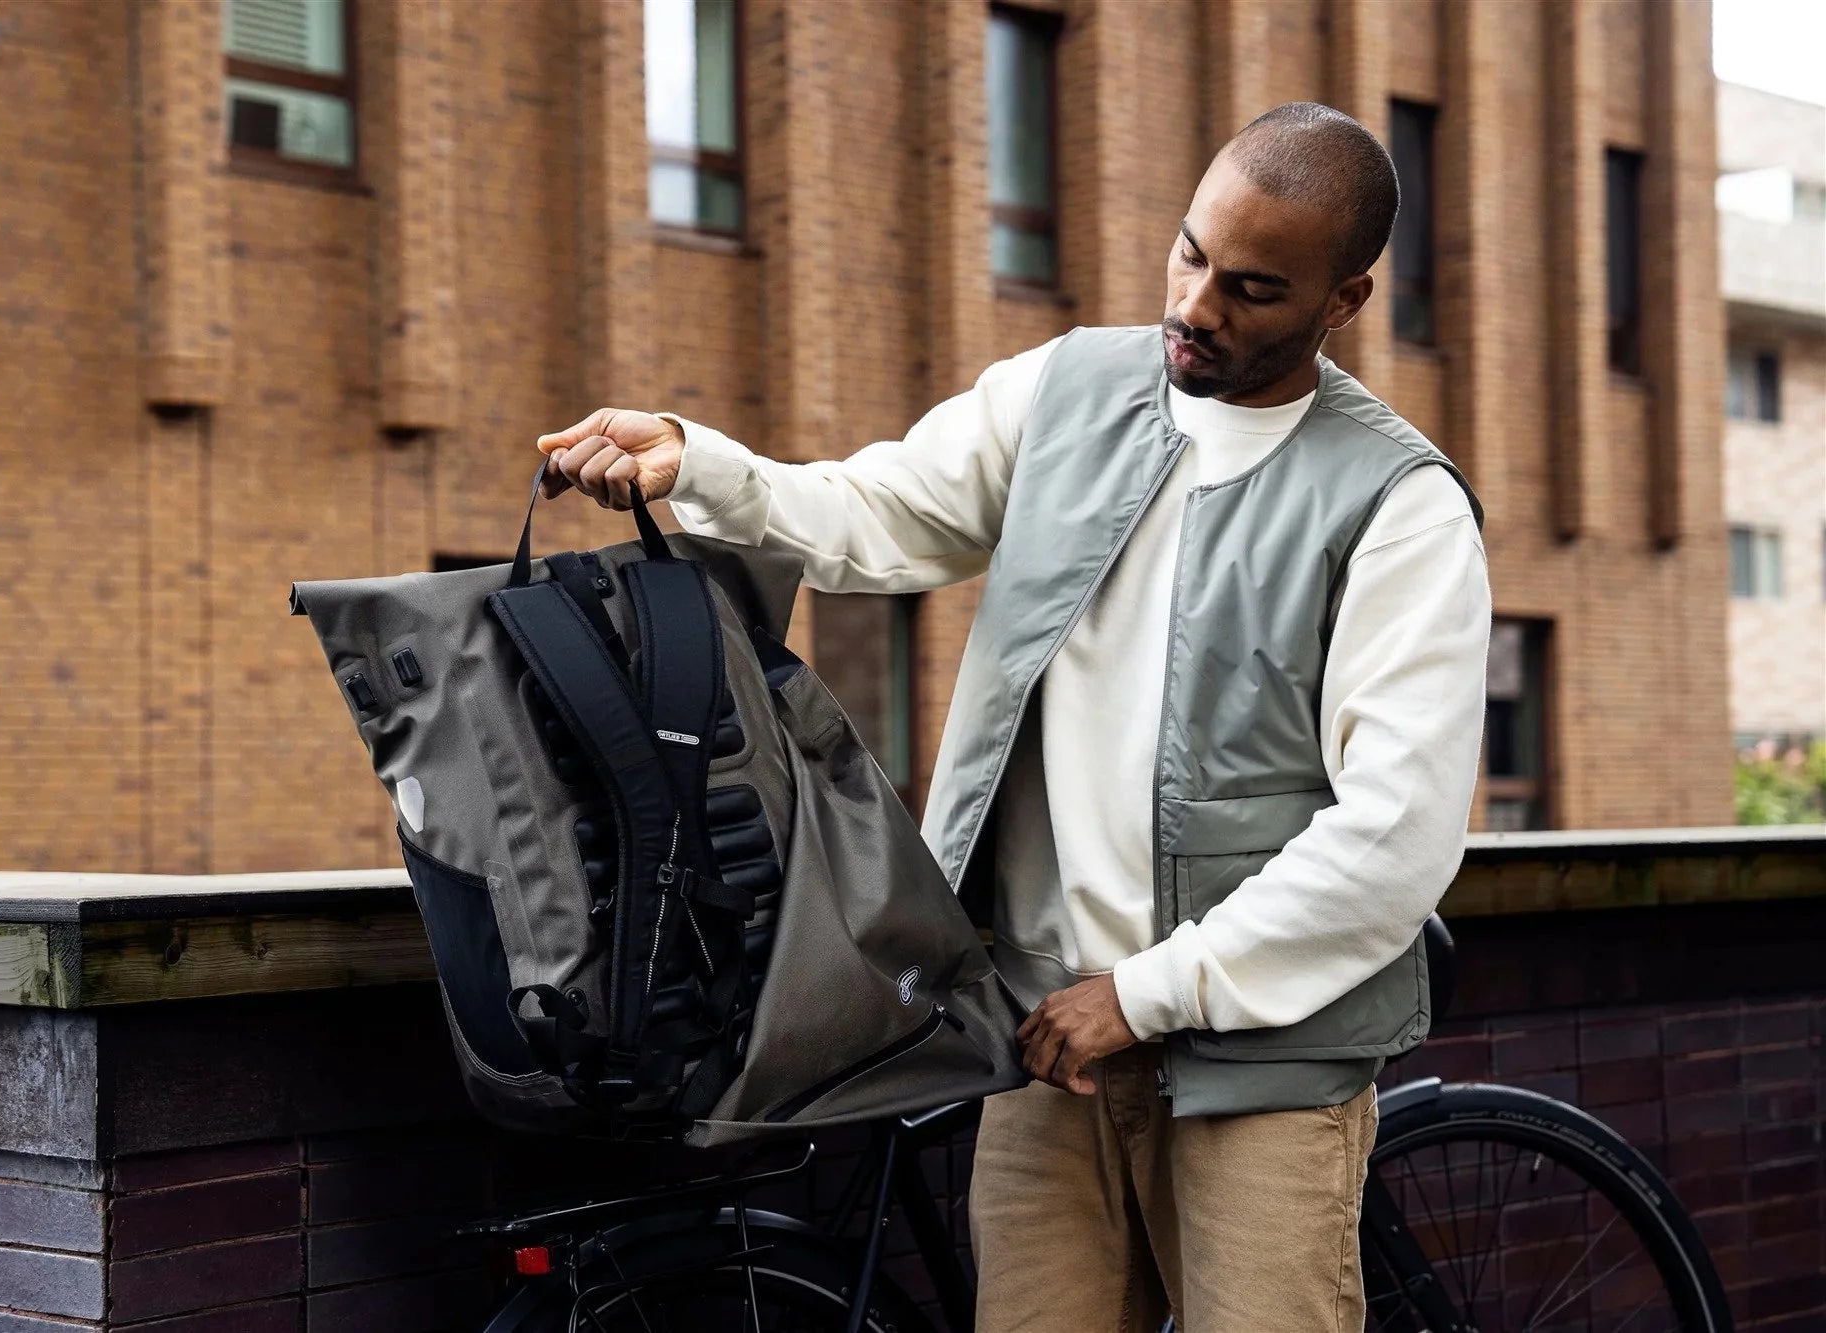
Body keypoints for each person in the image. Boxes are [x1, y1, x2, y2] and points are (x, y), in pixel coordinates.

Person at [537, 102, 1491, 1333]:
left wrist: (1142, 995)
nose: (1197, 305)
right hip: (1046, 1042)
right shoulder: (1065, 389)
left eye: (1252, 288)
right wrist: (697, 460)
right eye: (1188, 254)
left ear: (1343, 299)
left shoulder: (1399, 506)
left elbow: (1394, 840)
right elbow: (874, 514)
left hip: (1260, 1066)